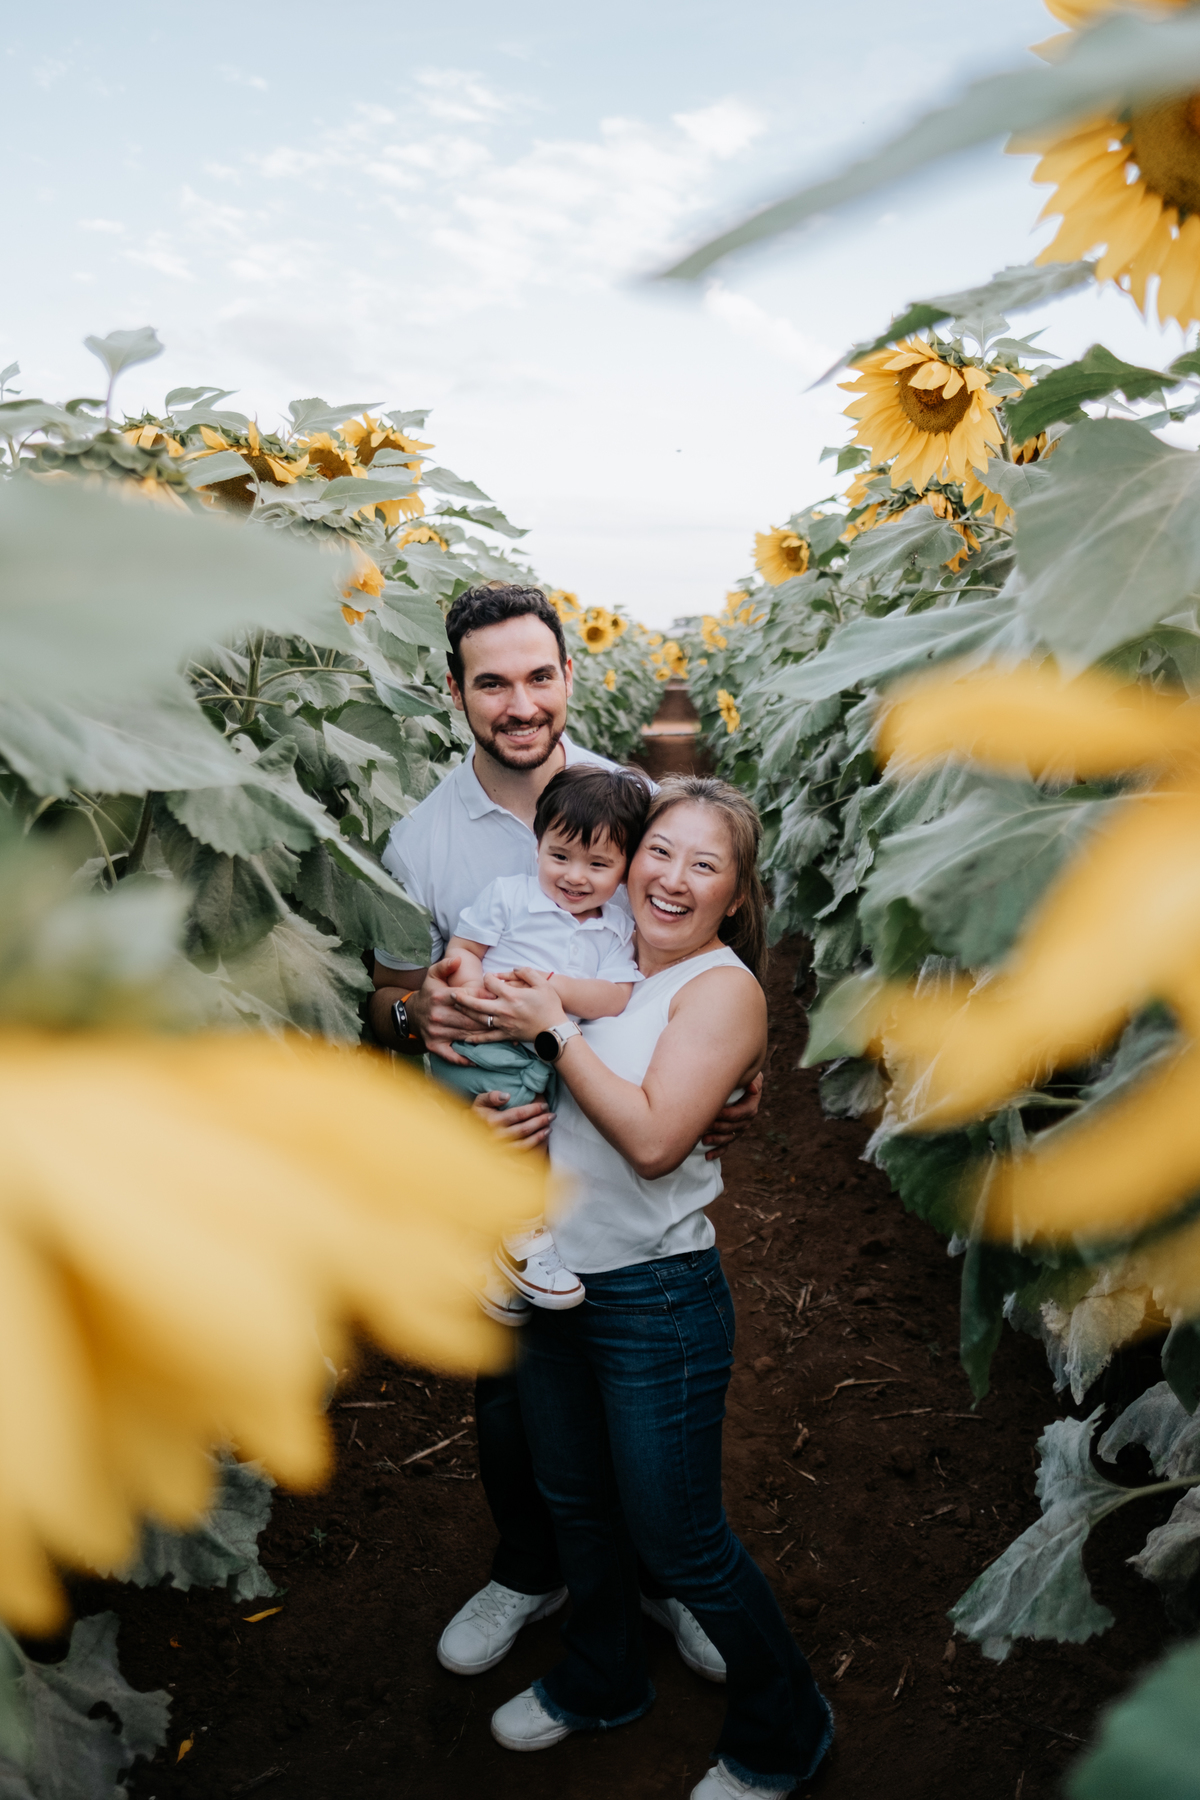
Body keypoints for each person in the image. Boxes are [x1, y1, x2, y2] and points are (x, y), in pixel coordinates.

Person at [365, 584, 762, 1684]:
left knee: (638, 1381)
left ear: (569, 677)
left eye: (539, 676)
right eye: (492, 682)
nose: (521, 703)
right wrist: (422, 1017)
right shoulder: (422, 839)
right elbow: (387, 996)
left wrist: (739, 1067)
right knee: (512, 1388)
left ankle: (665, 1575)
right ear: (455, 691)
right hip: (502, 1136)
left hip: (617, 1146)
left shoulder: (635, 803)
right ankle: (530, 1568)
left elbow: (696, 951)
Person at [458, 776, 833, 1798]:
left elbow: (657, 1140)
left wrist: (554, 1033)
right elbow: (516, 1062)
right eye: (659, 852)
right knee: (576, 1503)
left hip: (654, 1300)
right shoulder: (597, 950)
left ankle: (786, 1731)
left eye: (704, 865)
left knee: (682, 1539)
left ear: (735, 895)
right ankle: (602, 1678)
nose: (672, 878)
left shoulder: (722, 989)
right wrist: (498, 1113)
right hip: (554, 1281)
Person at [437, 762, 654, 1313]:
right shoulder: (509, 897)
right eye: (560, 856)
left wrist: (552, 990)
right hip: (487, 1045)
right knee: (526, 1133)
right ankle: (523, 1240)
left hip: (544, 1051)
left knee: (548, 1140)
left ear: (625, 868)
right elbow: (464, 951)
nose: (575, 876)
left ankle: (487, 1258)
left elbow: (616, 996)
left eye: (598, 864)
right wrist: (475, 995)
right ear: (537, 846)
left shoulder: (616, 927)